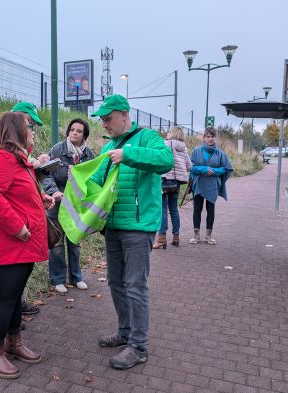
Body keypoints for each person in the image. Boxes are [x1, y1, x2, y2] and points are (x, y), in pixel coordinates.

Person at [90, 94, 173, 369]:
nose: (104, 124)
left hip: (138, 229)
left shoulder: (147, 137)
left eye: (108, 118)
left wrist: (128, 154)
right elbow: (95, 180)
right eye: (101, 120)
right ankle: (124, 332)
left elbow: (165, 160)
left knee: (136, 286)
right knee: (116, 283)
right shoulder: (108, 147)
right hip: (112, 227)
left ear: (124, 114)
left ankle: (138, 346)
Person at [0, 111, 55, 378]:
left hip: (20, 244)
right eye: (29, 126)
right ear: (15, 131)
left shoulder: (16, 159)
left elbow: (15, 191)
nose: (33, 130)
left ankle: (14, 342)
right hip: (9, 243)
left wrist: (40, 197)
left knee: (14, 297)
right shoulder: (2, 157)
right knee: (7, 299)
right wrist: (17, 226)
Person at [42, 118, 95, 293]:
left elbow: (94, 178)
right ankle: (57, 279)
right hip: (57, 205)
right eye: (72, 130)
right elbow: (46, 174)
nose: (75, 133)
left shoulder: (89, 155)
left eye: (79, 131)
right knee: (56, 243)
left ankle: (76, 277)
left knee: (75, 241)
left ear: (84, 135)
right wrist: (54, 191)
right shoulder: (57, 150)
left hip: (77, 206)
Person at [10, 101, 48, 315]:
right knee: (8, 270)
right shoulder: (2, 144)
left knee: (19, 266)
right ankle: (10, 315)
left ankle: (16, 307)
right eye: (30, 123)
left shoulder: (18, 140)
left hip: (21, 213)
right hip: (13, 218)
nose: (31, 128)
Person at [189, 127, 233, 245]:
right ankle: (196, 236)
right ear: (204, 138)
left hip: (212, 185)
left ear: (215, 138)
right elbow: (190, 166)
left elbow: (227, 168)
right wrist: (204, 169)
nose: (210, 139)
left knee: (210, 210)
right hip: (199, 184)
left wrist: (214, 171)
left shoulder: (220, 153)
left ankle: (208, 236)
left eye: (212, 136)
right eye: (208, 136)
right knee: (197, 209)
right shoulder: (196, 151)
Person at [153, 127, 192, 249]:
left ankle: (161, 238)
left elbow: (159, 160)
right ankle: (176, 237)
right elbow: (189, 166)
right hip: (176, 182)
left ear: (171, 133)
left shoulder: (166, 144)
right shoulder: (184, 148)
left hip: (164, 180)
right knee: (174, 208)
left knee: (163, 209)